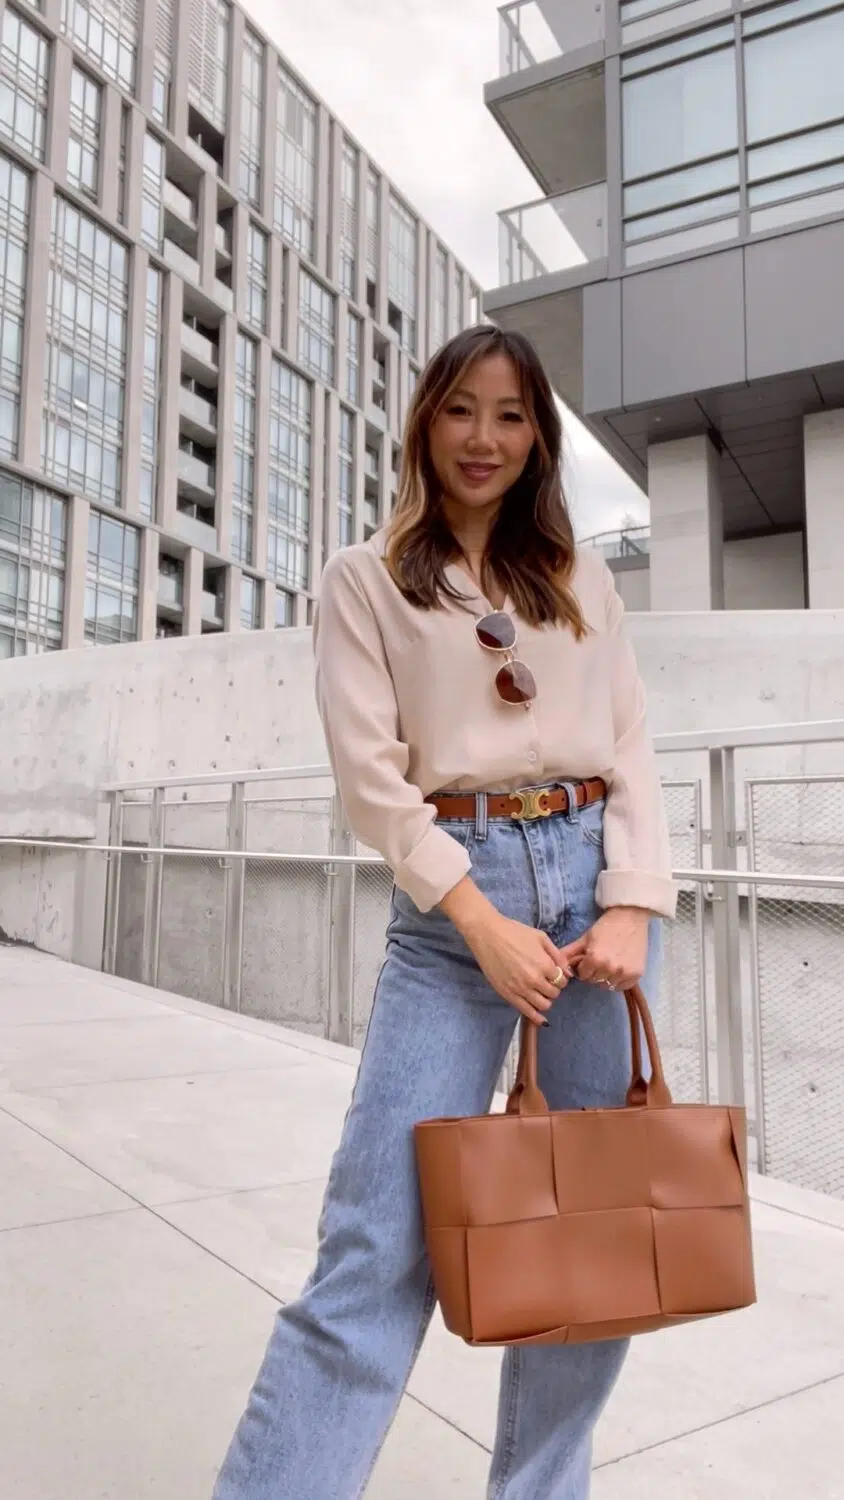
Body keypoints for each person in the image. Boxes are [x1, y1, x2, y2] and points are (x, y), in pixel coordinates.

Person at [211, 325, 676, 1500]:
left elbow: (629, 749)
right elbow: (372, 780)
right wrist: (475, 917)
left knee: (593, 1236)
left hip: (592, 906)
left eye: (512, 416)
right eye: (462, 410)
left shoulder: (578, 578)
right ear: (425, 419)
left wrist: (629, 905)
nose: (485, 439)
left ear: (539, 437)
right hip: (451, 905)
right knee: (377, 1245)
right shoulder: (363, 578)